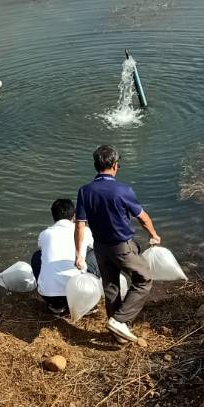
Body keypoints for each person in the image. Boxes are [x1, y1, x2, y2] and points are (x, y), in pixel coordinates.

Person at [74, 144, 160, 344]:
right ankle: (120, 321)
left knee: (111, 287)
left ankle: (117, 336)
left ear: (96, 165)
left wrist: (78, 254)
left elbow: (79, 226)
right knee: (144, 279)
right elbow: (143, 218)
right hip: (122, 247)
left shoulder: (85, 191)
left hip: (100, 248)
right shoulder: (122, 190)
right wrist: (154, 235)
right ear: (114, 166)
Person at [31, 198, 97, 317]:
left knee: (37, 256)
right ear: (74, 215)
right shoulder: (84, 230)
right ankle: (87, 301)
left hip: (50, 295)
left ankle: (57, 307)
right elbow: (95, 246)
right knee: (95, 254)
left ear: (53, 216)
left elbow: (42, 249)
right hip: (79, 293)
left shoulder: (45, 233)